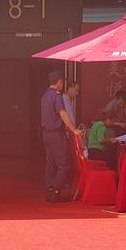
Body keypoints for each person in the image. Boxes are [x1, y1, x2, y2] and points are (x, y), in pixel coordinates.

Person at [41, 71, 81, 202]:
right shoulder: (56, 95)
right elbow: (62, 113)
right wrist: (73, 129)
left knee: (50, 163)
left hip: (46, 133)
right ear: (59, 82)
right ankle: (56, 191)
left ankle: (49, 191)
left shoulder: (45, 96)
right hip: (56, 134)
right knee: (64, 165)